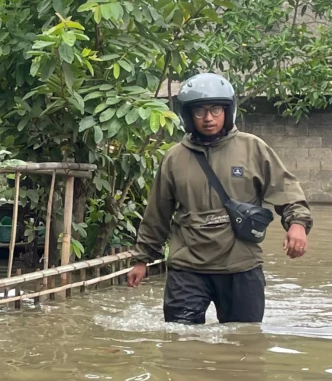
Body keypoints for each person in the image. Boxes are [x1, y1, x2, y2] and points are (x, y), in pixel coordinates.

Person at [126, 73, 312, 324]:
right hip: (187, 267)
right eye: (200, 111)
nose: (209, 118)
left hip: (241, 266)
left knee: (245, 344)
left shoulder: (253, 149)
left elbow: (287, 191)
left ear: (228, 111)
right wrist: (142, 259)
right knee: (180, 343)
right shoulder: (174, 158)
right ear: (189, 115)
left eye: (215, 109)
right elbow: (157, 213)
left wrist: (297, 225)